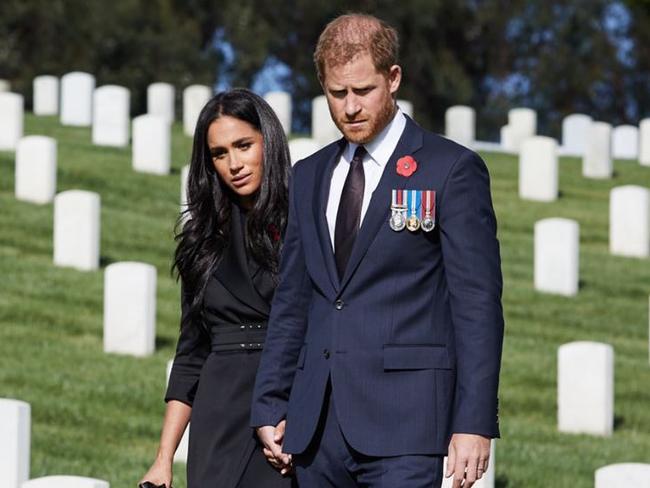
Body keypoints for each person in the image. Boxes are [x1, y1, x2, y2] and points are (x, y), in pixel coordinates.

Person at [251, 13, 504, 488]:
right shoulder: (307, 176)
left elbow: (477, 307)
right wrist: (270, 401)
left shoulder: (450, 170)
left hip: (407, 427)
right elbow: (293, 300)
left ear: (393, 79)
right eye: (336, 93)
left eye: (363, 91)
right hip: (315, 429)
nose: (349, 107)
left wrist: (473, 422)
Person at [139, 88, 295, 488]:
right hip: (218, 413)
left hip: (286, 403)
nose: (234, 164)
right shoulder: (200, 241)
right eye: (219, 153)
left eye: (244, 145)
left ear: (269, 142)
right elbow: (191, 353)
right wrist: (163, 460)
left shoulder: (305, 224)